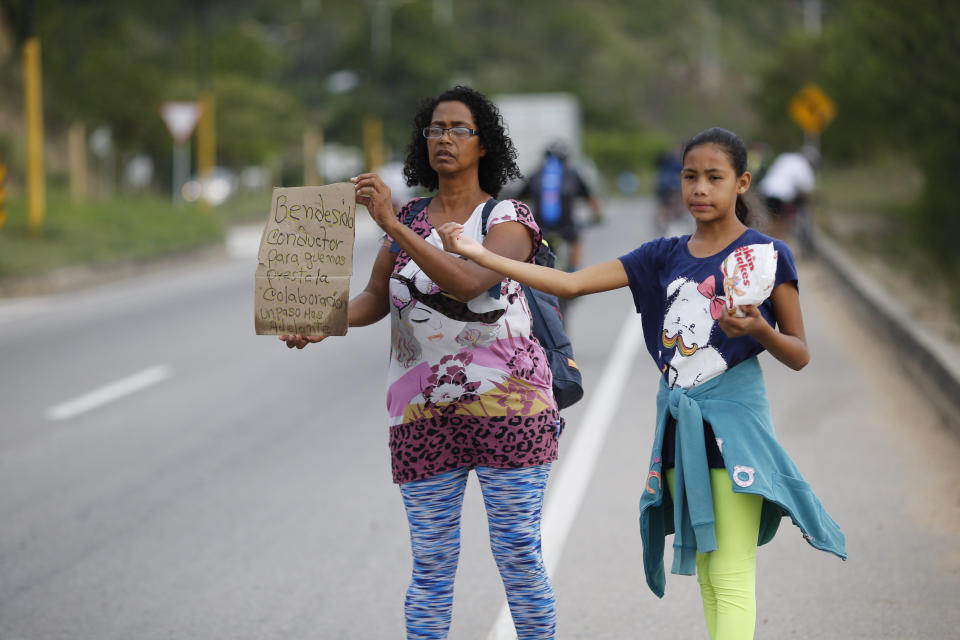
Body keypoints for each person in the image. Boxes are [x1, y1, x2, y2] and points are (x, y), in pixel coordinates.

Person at [439, 127, 846, 640]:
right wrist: (481, 256)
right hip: (679, 430)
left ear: (742, 183)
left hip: (735, 426)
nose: (699, 188)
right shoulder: (661, 255)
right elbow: (571, 282)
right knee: (708, 574)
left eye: (714, 177)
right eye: (690, 176)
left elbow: (800, 353)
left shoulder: (765, 254)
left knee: (731, 575)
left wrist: (760, 330)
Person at [281, 85, 561, 639]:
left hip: (512, 410)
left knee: (518, 559)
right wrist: (322, 318)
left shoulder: (507, 218)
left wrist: (393, 226)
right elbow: (375, 298)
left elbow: (468, 283)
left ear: (485, 145)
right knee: (431, 566)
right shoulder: (408, 216)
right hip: (423, 418)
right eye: (436, 129)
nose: (445, 139)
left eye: (460, 129)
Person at [516, 142, 604, 272]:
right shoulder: (572, 174)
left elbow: (519, 198)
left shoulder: (536, 174)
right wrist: (598, 215)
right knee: (576, 241)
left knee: (531, 245)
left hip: (540, 225)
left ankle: (531, 274)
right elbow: (589, 197)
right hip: (566, 224)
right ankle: (573, 272)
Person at [758, 146, 817, 250]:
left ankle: (767, 245)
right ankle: (775, 248)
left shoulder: (786, 157)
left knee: (773, 221)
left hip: (767, 190)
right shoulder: (803, 165)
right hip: (782, 195)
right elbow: (806, 187)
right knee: (781, 223)